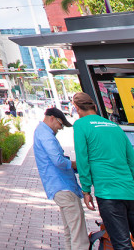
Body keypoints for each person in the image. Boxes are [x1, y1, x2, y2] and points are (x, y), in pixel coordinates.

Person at [72, 92, 134, 250]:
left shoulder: (80, 125)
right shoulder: (115, 127)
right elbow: (133, 163)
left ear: (77, 108)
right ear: (95, 107)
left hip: (109, 195)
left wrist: (86, 190)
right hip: (131, 193)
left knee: (122, 244)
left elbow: (82, 159)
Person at [34, 106, 91, 250]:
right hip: (63, 186)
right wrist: (74, 164)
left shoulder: (41, 132)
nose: (60, 128)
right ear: (52, 118)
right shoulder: (45, 135)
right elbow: (58, 160)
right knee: (78, 233)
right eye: (60, 124)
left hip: (59, 186)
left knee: (70, 231)